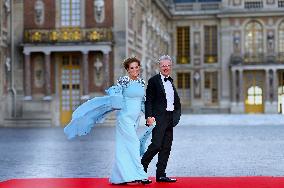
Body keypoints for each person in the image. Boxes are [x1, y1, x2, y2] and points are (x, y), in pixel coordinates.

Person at [64, 57, 151, 185]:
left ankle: (121, 177)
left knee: (124, 147)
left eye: (136, 67)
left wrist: (148, 115)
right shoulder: (123, 81)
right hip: (124, 118)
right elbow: (116, 97)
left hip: (135, 119)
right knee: (134, 144)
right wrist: (115, 98)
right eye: (132, 68)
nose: (135, 70)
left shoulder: (142, 82)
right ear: (127, 70)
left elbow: (142, 101)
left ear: (139, 68)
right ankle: (140, 175)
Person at [141, 55, 181, 183]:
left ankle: (161, 174)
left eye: (168, 66)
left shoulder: (171, 81)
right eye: (163, 65)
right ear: (159, 66)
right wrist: (149, 117)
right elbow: (149, 101)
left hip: (170, 118)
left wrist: (175, 116)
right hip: (158, 118)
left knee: (166, 147)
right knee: (156, 145)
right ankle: (140, 170)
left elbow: (174, 101)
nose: (166, 68)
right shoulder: (154, 81)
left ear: (171, 67)